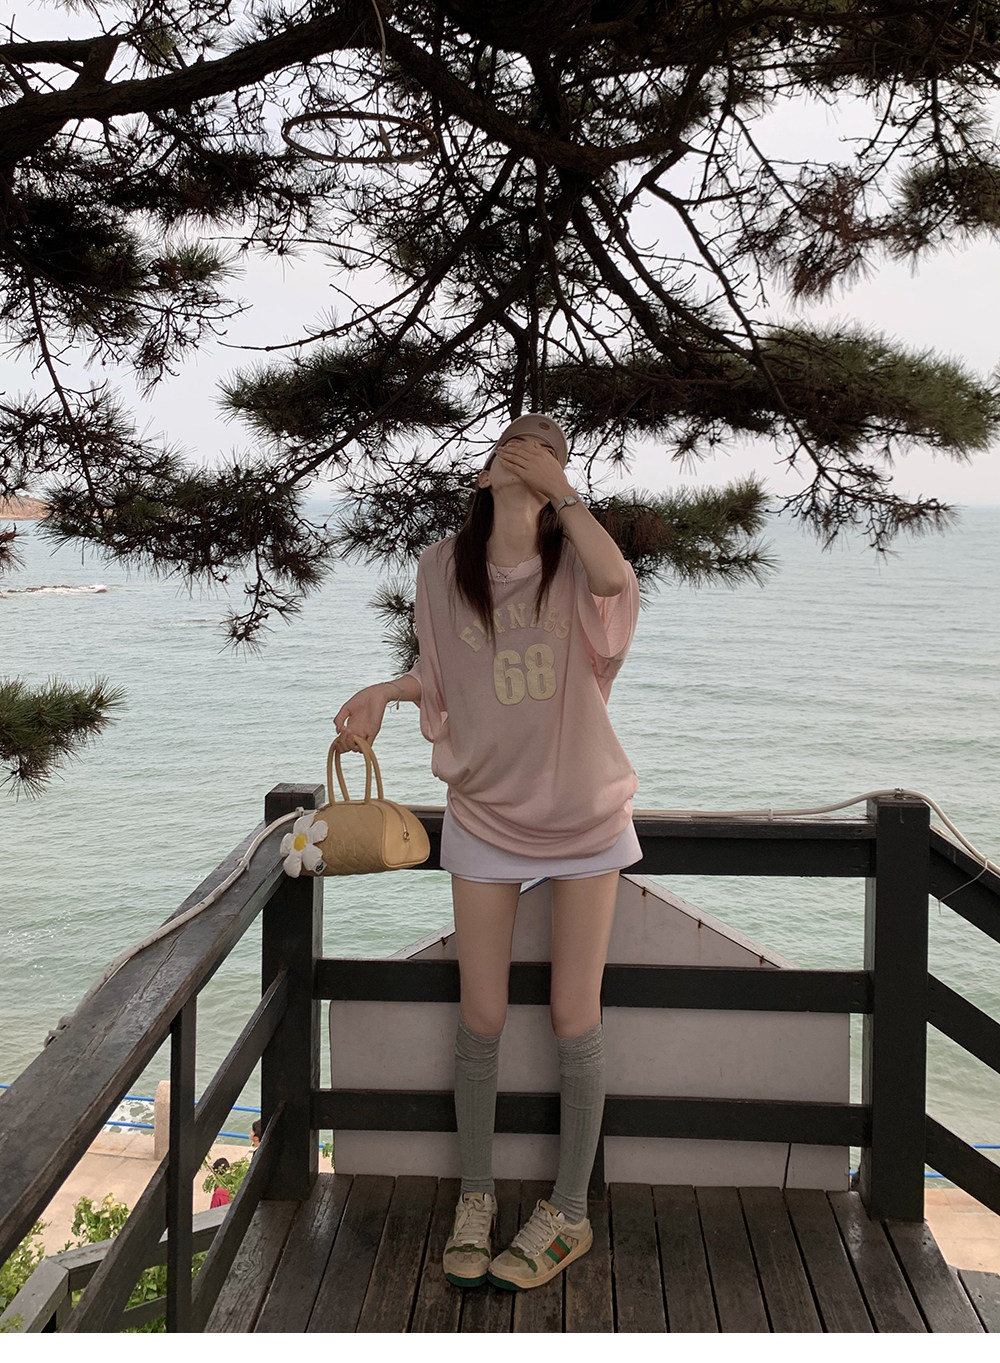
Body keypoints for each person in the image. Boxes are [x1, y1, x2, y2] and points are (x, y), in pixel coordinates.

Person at [333, 413, 639, 1293]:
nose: (529, 450)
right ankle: (476, 1194)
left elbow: (616, 580)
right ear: (483, 470)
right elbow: (445, 677)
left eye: (548, 448)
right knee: (482, 1013)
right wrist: (388, 689)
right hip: (484, 813)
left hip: (583, 814)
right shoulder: (439, 567)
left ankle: (569, 1210)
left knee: (575, 1014)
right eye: (516, 444)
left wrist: (562, 493)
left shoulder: (578, 564)